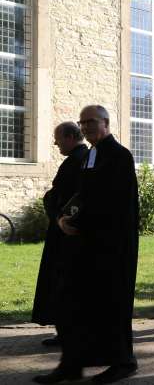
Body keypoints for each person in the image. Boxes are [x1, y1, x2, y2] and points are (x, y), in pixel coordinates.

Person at [35, 105, 139, 384]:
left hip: (111, 247)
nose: (85, 127)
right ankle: (72, 364)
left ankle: (124, 362)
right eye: (82, 123)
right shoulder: (90, 156)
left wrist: (79, 222)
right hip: (85, 244)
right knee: (71, 304)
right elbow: (81, 195)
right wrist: (62, 218)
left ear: (106, 122)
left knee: (112, 306)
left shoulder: (119, 156)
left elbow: (112, 203)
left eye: (91, 122)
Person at [32, 122, 88, 347]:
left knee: (63, 282)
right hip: (69, 229)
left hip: (66, 231)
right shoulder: (82, 159)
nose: (55, 143)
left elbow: (65, 196)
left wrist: (57, 213)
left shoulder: (75, 161)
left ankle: (68, 333)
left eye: (58, 138)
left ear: (69, 137)